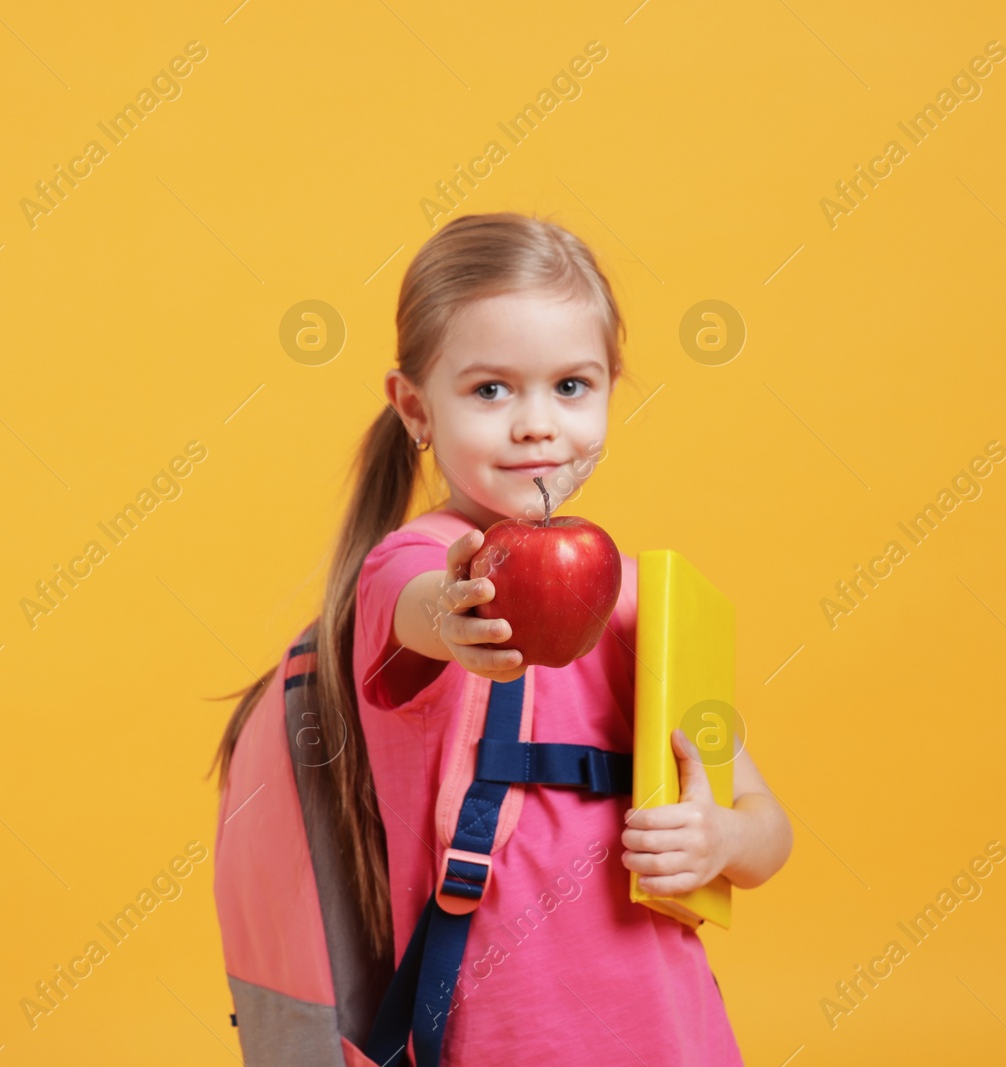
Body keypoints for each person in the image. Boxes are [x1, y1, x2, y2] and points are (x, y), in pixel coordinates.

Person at [214, 211, 793, 1064]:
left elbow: (765, 823)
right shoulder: (412, 567)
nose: (537, 424)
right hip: (501, 1039)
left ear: (610, 387)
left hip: (673, 1032)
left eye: (572, 386)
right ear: (416, 407)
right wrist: (455, 612)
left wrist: (722, 840)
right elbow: (418, 608)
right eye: (491, 390)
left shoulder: (651, 597)